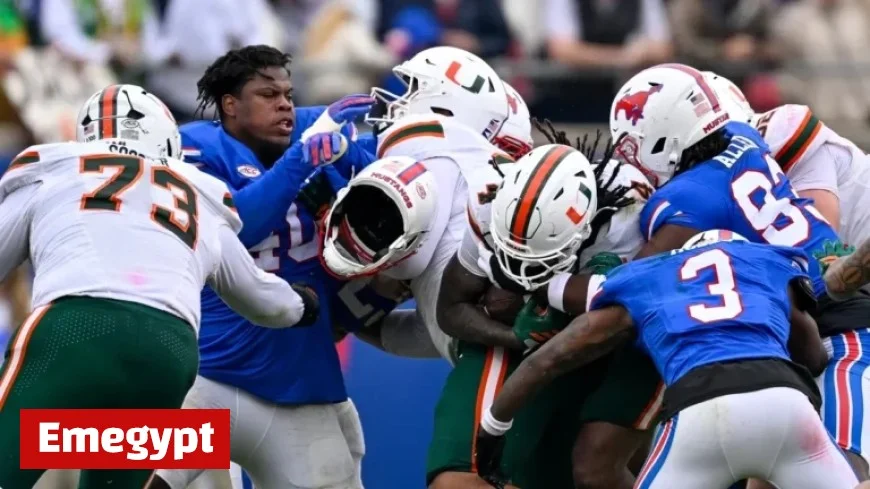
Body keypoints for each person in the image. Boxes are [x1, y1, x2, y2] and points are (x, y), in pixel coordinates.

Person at [0, 84, 315, 489]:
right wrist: (301, 304)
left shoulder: (57, 165)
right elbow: (261, 299)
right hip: (168, 350)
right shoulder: (200, 192)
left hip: (73, 328)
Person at [603, 63, 867, 479]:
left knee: (850, 473)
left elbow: (629, 287)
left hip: (841, 330)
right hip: (799, 327)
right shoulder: (744, 137)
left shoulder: (684, 204)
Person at [149, 45, 378, 489]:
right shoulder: (197, 146)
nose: (284, 103)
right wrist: (302, 160)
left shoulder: (315, 142)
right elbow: (240, 227)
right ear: (230, 105)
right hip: (207, 379)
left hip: (301, 386)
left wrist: (366, 154)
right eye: (268, 94)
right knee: (130, 479)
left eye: (289, 95)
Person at [475, 230, 856, 489]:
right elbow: (813, 355)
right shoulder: (766, 260)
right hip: (784, 406)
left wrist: (490, 433)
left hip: (699, 413)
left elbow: (546, 361)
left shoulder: (649, 276)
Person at [707, 72, 870, 477]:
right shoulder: (707, 186)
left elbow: (820, 255)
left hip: (849, 308)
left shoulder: (778, 133)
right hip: (843, 313)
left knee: (843, 465)